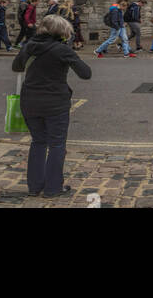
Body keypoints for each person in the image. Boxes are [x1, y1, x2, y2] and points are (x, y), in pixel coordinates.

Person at [13, 13, 92, 199]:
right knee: (57, 144)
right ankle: (53, 188)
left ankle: (34, 186)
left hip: (29, 101)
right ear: (62, 32)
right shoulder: (62, 50)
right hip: (55, 102)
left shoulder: (30, 45)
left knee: (38, 142)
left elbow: (17, 67)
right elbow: (85, 73)